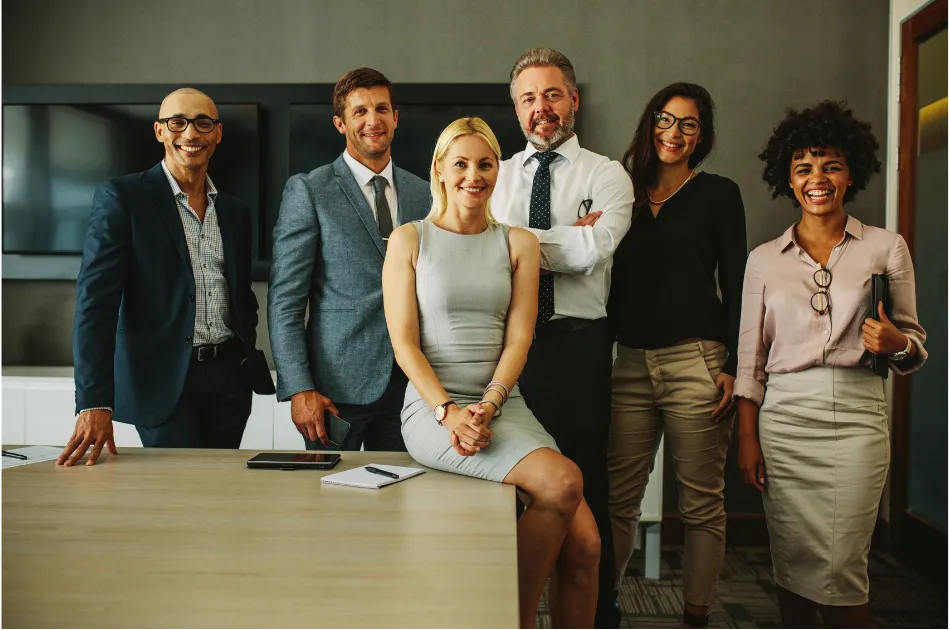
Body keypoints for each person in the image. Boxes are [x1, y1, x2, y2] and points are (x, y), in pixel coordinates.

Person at [384, 116, 601, 629]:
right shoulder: (408, 240)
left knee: (588, 546)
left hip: (503, 403)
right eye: (460, 164)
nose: (473, 175)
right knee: (564, 480)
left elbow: (520, 337)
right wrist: (449, 412)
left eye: (485, 164)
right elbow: (403, 344)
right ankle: (515, 621)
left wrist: (491, 403)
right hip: (432, 409)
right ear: (439, 170)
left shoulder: (519, 243)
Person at [736, 100, 927, 628]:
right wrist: (748, 436)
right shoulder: (763, 260)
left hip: (858, 417)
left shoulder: (886, 248)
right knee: (792, 560)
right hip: (784, 418)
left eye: (830, 165)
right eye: (803, 168)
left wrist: (895, 343)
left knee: (843, 567)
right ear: (788, 180)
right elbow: (751, 359)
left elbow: (914, 346)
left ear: (850, 174)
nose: (817, 178)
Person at [491, 47, 634, 628]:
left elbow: (593, 250)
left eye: (552, 94)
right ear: (516, 109)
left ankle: (593, 617)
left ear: (573, 100)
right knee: (510, 491)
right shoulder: (493, 175)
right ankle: (509, 614)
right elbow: (481, 253)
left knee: (584, 484)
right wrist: (557, 240)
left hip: (578, 349)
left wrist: (515, 242)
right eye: (528, 98)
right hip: (508, 354)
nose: (540, 108)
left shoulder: (606, 174)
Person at [60, 88, 266, 466]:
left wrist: (243, 354)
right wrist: (94, 401)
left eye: (203, 123)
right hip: (162, 381)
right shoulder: (123, 197)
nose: (191, 134)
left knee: (223, 491)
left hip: (228, 383)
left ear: (217, 133)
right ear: (159, 131)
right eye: (178, 122)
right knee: (179, 496)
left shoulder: (236, 211)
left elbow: (240, 294)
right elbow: (96, 305)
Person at [605, 83, 747, 628]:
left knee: (700, 504)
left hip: (698, 363)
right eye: (666, 120)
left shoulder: (718, 193)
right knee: (619, 502)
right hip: (630, 364)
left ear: (702, 135)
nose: (675, 132)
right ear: (650, 123)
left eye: (689, 124)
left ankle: (695, 616)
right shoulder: (622, 189)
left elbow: (737, 284)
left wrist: (736, 364)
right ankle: (603, 607)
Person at [268, 68, 430, 451]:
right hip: (336, 391)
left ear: (395, 118)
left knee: (401, 501)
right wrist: (299, 388)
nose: (373, 120)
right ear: (340, 123)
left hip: (413, 384)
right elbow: (286, 302)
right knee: (328, 505)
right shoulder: (309, 190)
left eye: (381, 109)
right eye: (359, 112)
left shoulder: (424, 192)